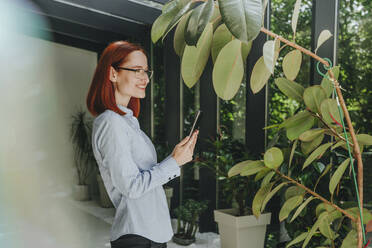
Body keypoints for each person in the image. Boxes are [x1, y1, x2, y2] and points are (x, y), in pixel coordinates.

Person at [86, 41, 199, 248]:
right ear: (113, 74)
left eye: (146, 71)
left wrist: (175, 158)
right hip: (137, 236)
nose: (145, 78)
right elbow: (131, 187)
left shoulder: (127, 120)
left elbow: (143, 177)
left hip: (150, 234)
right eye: (137, 70)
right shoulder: (110, 122)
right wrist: (174, 162)